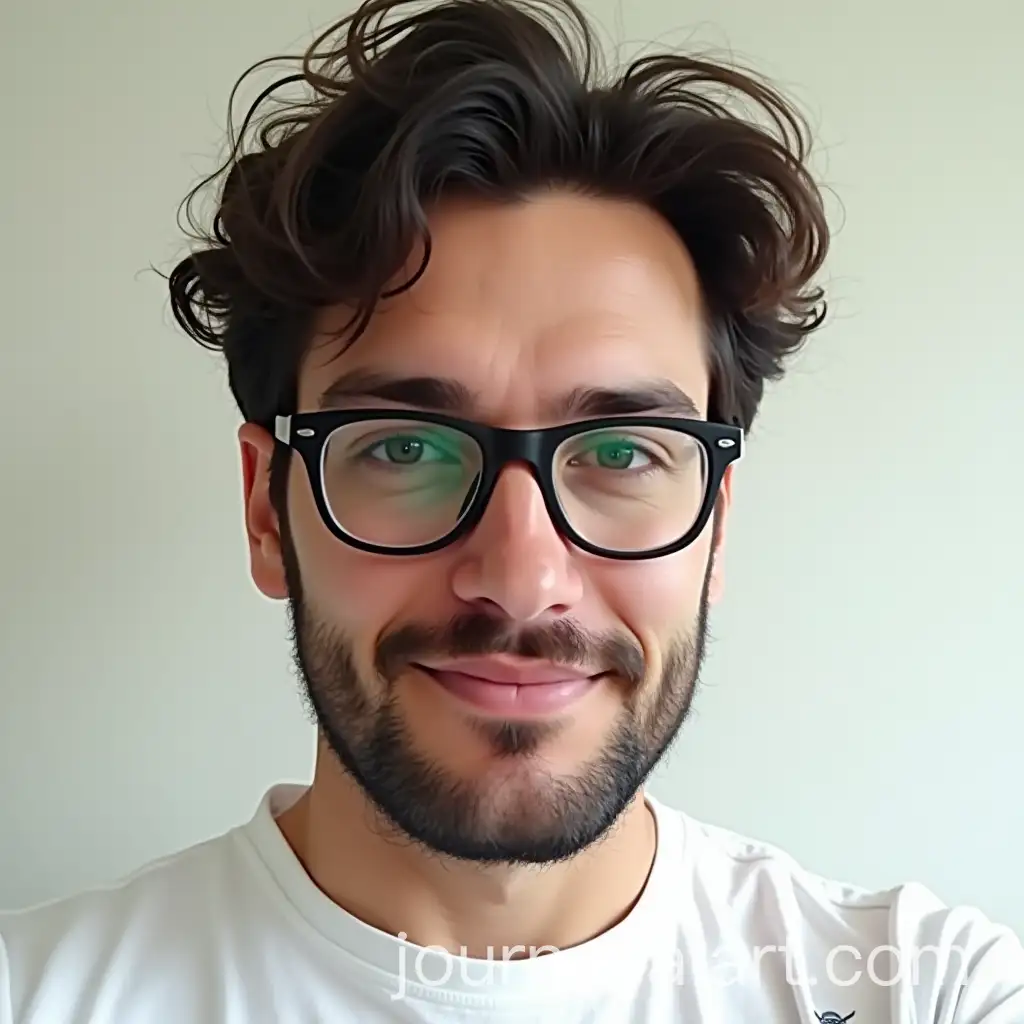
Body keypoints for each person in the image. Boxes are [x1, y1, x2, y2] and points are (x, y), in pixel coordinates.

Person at [3, 0, 1022, 1020]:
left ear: (716, 526)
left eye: (622, 452)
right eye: (404, 447)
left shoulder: (929, 989)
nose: (522, 579)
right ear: (267, 512)